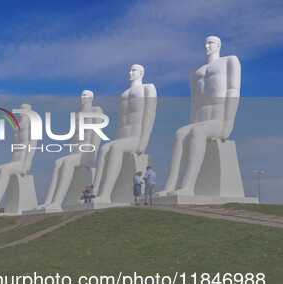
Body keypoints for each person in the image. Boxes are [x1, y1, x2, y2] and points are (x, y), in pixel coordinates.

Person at [156, 36, 240, 197]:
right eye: (205, 43)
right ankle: (170, 185)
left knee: (197, 132)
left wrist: (228, 124)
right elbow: (194, 102)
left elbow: (233, 91)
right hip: (200, 119)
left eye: (211, 43)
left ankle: (188, 186)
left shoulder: (229, 61)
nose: (207, 46)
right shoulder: (195, 71)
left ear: (219, 45)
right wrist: (191, 124)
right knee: (180, 133)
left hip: (218, 118)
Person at [92, 64, 157, 202]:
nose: (130, 73)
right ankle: (95, 192)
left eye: (134, 70)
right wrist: (116, 139)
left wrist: (143, 141)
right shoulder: (122, 95)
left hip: (136, 137)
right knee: (104, 149)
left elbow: (150, 113)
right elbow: (120, 122)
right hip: (122, 137)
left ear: (141, 72)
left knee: (115, 147)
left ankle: (105, 194)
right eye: (130, 70)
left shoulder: (147, 88)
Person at [37, 90, 103, 210]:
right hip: (76, 152)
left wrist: (91, 154)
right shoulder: (77, 114)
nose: (82, 97)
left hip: (86, 152)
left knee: (67, 162)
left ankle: (57, 202)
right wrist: (71, 153)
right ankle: (48, 202)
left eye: (85, 95)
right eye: (82, 95)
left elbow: (97, 134)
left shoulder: (95, 110)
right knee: (57, 163)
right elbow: (74, 137)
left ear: (91, 98)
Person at [0, 103, 37, 213]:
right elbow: (13, 147)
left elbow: (33, 143)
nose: (21, 110)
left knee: (3, 170)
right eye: (20, 108)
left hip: (22, 161)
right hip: (14, 160)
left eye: (23, 108)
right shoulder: (16, 127)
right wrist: (10, 162)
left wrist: (28, 162)